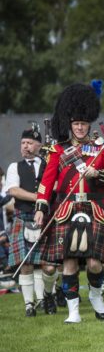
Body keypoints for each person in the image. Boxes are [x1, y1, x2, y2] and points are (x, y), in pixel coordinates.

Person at [34, 82, 104, 323]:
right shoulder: (57, 151)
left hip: (94, 208)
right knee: (69, 263)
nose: (81, 127)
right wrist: (41, 207)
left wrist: (100, 175)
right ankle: (73, 311)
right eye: (76, 124)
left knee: (95, 263)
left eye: (84, 124)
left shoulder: (101, 149)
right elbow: (46, 181)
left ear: (89, 124)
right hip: (67, 209)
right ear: (70, 125)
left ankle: (96, 295)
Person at [5, 125, 59, 316]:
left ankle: (46, 298)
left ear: (38, 145)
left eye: (29, 143)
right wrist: (39, 197)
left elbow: (56, 186)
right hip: (23, 217)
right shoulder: (14, 167)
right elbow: (13, 190)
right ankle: (29, 304)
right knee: (26, 264)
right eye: (23, 143)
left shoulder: (48, 164)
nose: (25, 146)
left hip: (45, 218)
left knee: (45, 264)